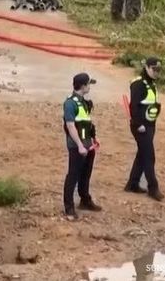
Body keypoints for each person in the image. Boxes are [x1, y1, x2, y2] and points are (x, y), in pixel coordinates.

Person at [61, 72, 101, 220]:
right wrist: (79, 145)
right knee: (73, 175)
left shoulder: (83, 102)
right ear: (83, 85)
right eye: (89, 84)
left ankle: (85, 200)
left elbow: (86, 124)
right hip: (77, 146)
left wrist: (93, 140)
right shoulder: (70, 103)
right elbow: (71, 126)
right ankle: (69, 207)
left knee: (85, 174)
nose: (90, 86)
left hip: (87, 145)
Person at [126, 57, 164, 201]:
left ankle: (132, 183)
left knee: (142, 154)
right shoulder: (138, 84)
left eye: (158, 70)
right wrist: (138, 124)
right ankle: (153, 188)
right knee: (149, 156)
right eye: (154, 69)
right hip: (141, 127)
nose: (156, 72)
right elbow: (133, 106)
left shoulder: (151, 84)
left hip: (150, 125)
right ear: (147, 67)